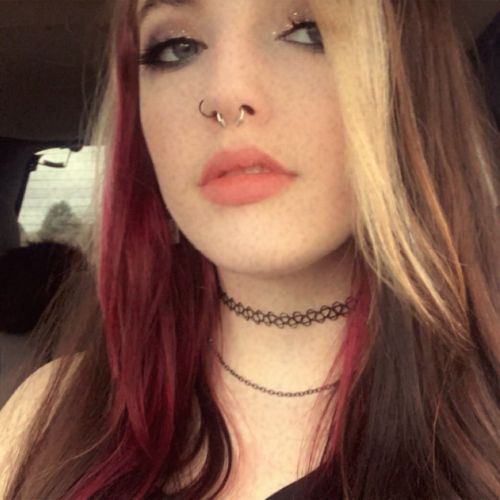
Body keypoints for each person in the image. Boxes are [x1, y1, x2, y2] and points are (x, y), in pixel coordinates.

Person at [1, 0, 499, 498]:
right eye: (176, 48)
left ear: (409, 88)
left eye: (309, 32)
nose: (226, 94)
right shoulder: (46, 420)